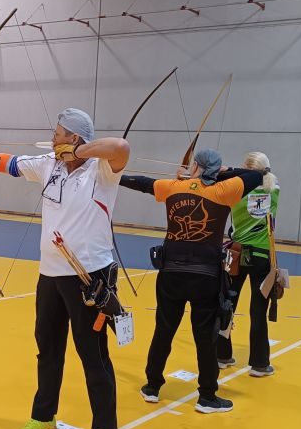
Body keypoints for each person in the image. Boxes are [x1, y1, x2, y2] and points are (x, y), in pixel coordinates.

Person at [0, 109, 129, 429]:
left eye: (59, 133)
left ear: (75, 138)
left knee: (93, 356)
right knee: (48, 350)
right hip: (50, 275)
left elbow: (120, 146)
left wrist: (79, 153)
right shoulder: (48, 164)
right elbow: (10, 164)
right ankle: (44, 417)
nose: (53, 138)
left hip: (89, 278)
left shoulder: (102, 171)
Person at [119, 149, 265, 413]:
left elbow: (141, 183)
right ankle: (207, 397)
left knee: (164, 330)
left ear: (195, 166)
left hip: (171, 274)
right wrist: (223, 173)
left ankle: (152, 387)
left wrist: (114, 176)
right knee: (205, 337)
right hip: (206, 277)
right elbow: (257, 175)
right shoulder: (224, 190)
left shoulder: (173, 187)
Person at [217, 151, 279, 376]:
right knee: (258, 310)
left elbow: (221, 181)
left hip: (236, 254)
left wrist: (226, 171)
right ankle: (260, 364)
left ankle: (222, 355)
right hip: (261, 256)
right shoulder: (274, 190)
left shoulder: (236, 191)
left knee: (227, 305)